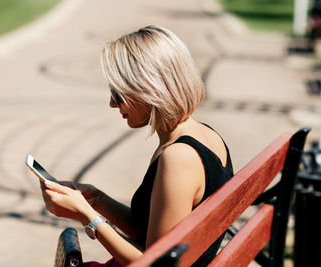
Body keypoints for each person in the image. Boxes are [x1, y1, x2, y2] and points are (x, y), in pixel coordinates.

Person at [40, 25, 233, 267]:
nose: (112, 103)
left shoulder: (179, 157)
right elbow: (152, 230)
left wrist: (86, 216)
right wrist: (96, 200)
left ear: (150, 88)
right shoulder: (204, 135)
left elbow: (153, 263)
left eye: (118, 92)